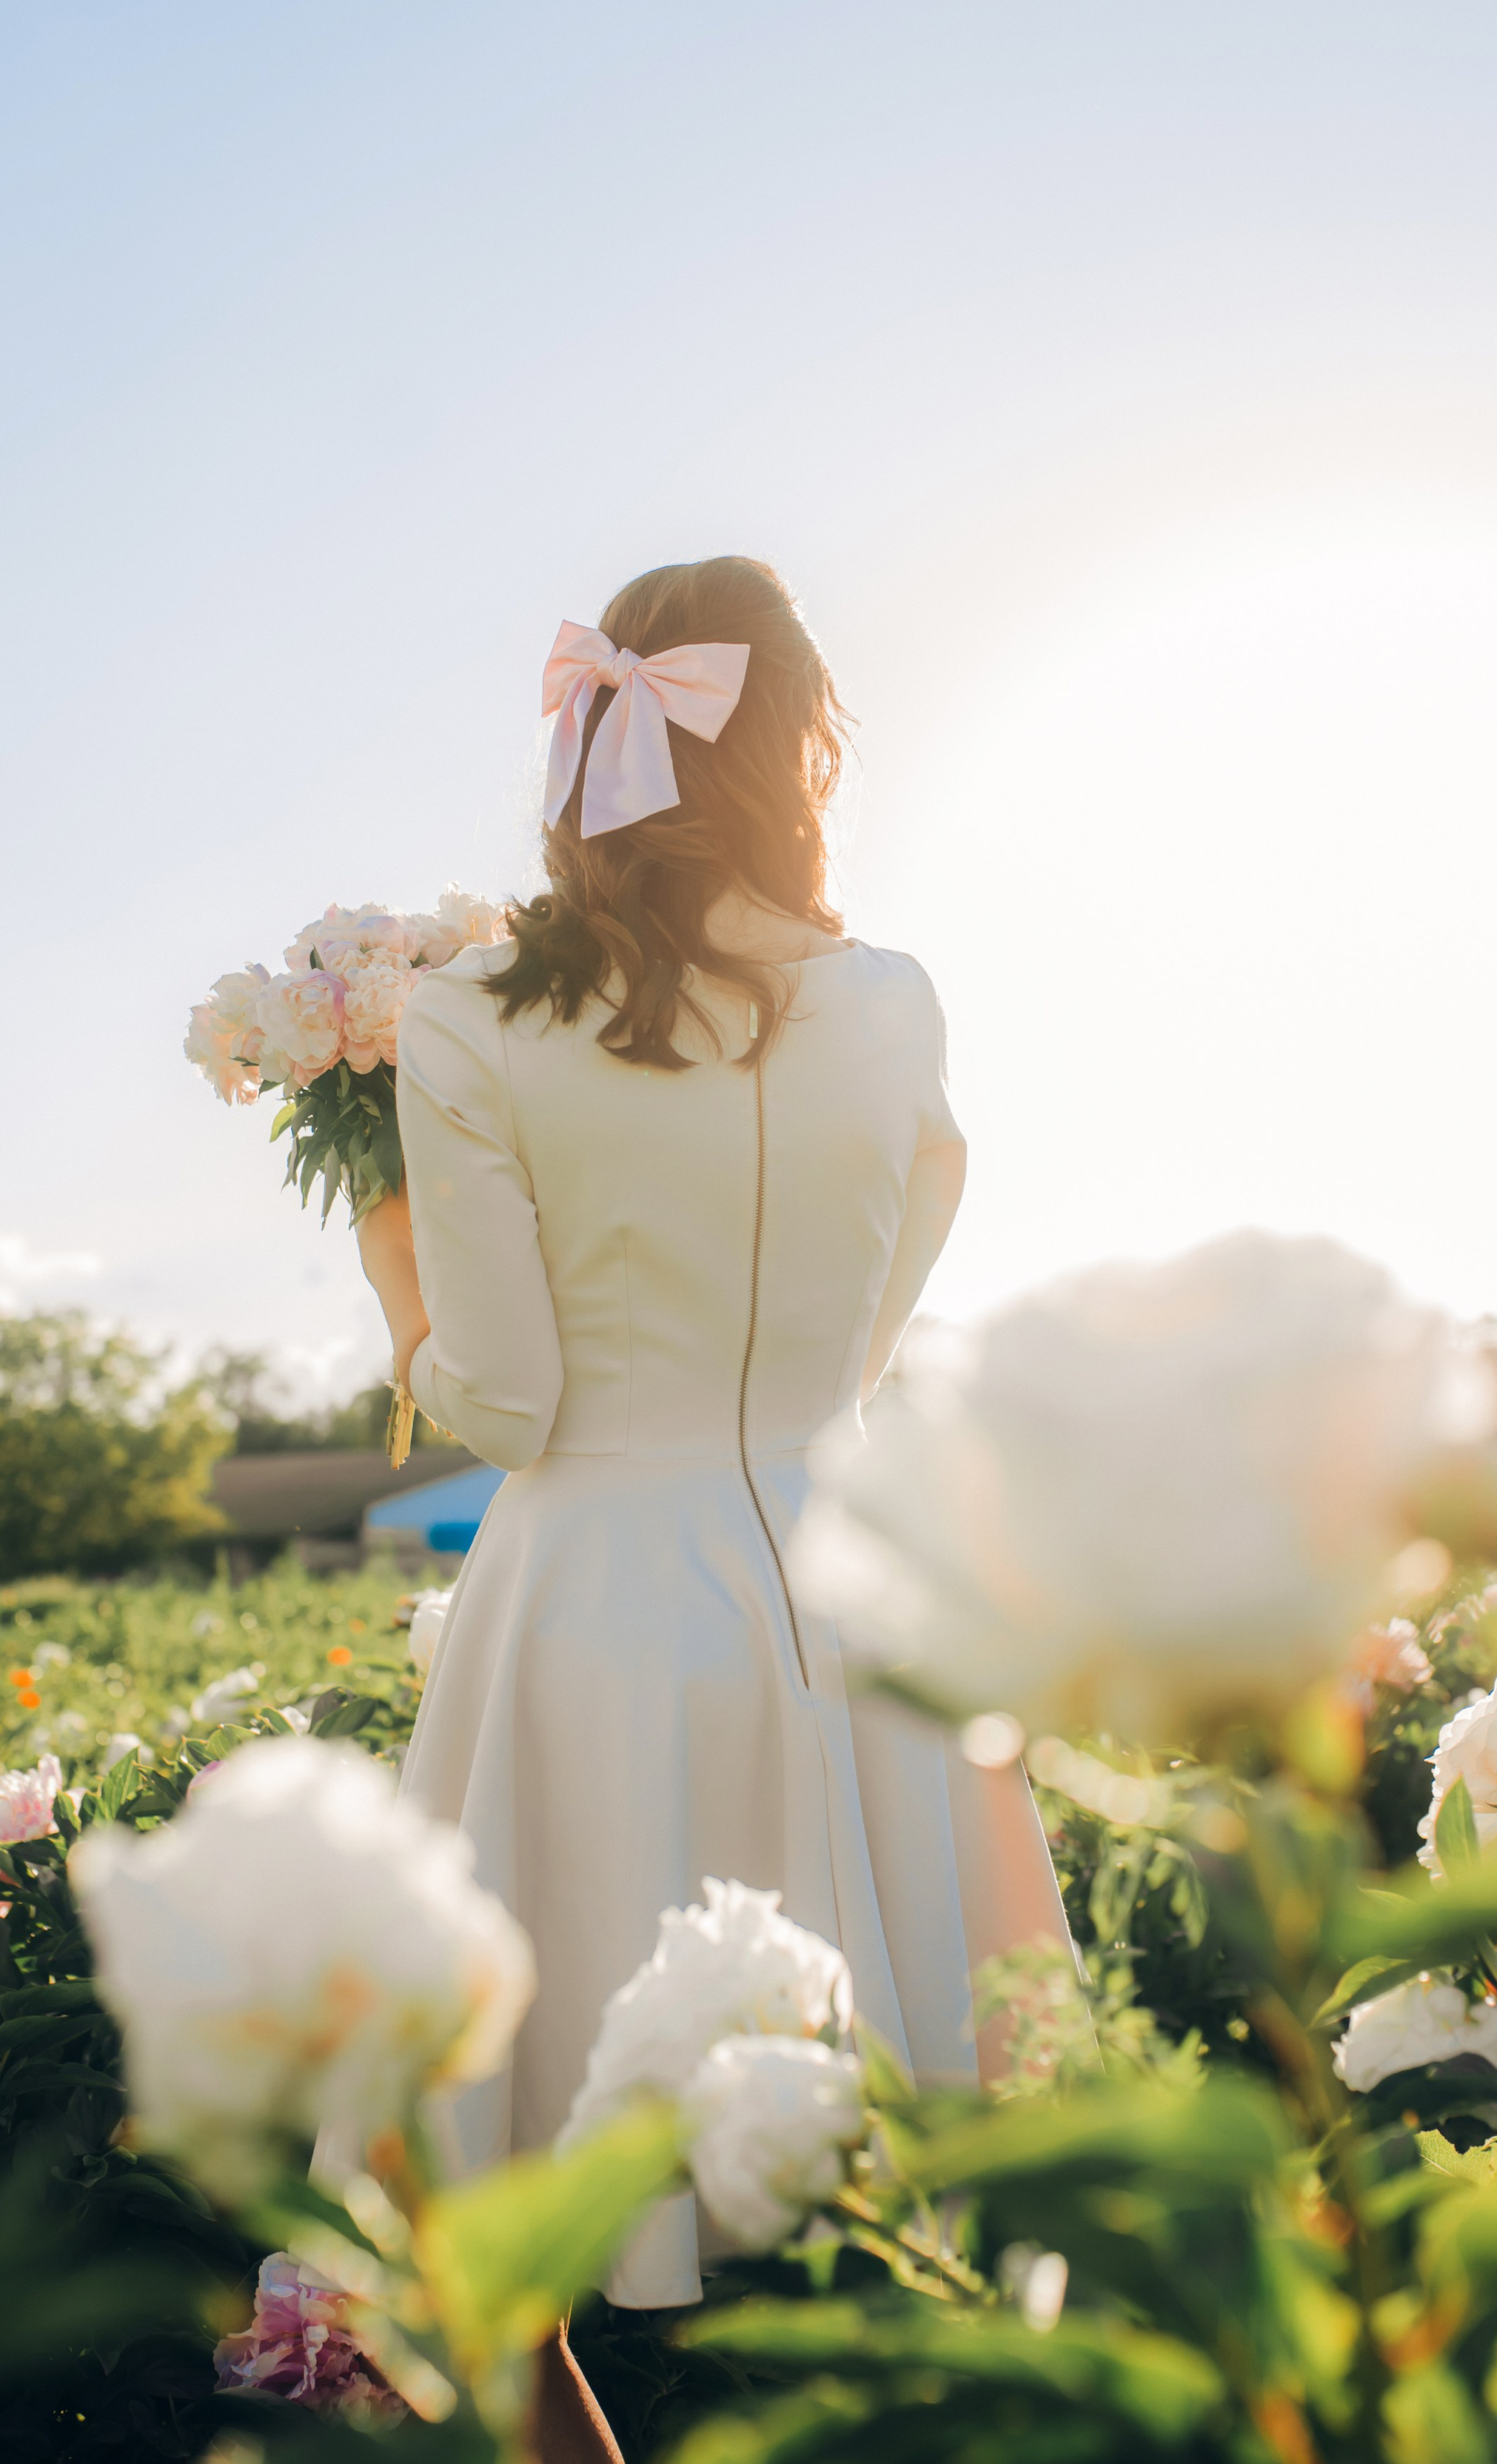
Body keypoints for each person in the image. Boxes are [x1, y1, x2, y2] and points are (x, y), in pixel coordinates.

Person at [355, 555, 1070, 2319]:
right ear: (796, 749)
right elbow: (880, 1308)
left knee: (547, 2147)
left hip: (593, 1594)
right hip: (850, 1578)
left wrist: (402, 1310)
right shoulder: (894, 1000)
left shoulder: (465, 1017)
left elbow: (510, 1403)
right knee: (912, 2116)